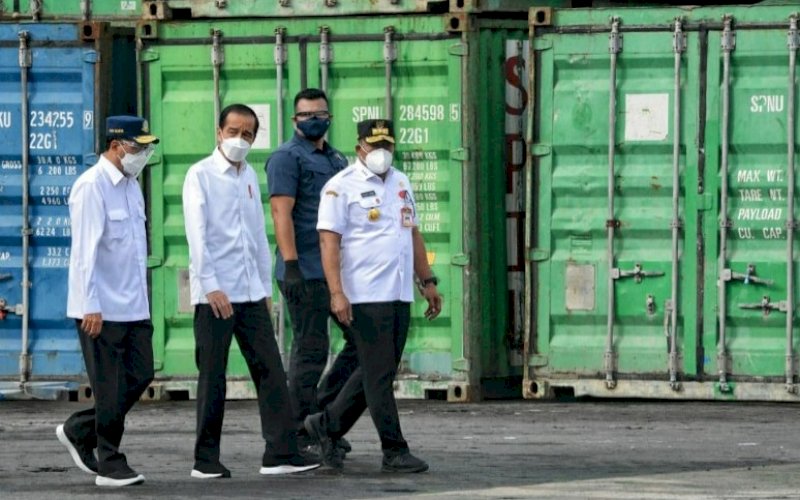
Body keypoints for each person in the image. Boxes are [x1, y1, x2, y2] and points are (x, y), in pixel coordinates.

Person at [182, 103, 319, 479]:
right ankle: (205, 460)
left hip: (249, 294)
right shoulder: (201, 175)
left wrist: (263, 289)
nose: (239, 140)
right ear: (218, 131)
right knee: (213, 377)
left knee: (271, 371)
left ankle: (280, 453)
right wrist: (210, 285)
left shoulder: (249, 175)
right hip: (216, 296)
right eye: (233, 131)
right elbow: (197, 236)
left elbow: (258, 237)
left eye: (247, 134)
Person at [305, 119, 443, 473]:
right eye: (374, 147)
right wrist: (336, 293)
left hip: (397, 291)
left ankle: (326, 425)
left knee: (376, 371)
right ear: (359, 148)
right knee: (378, 376)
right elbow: (328, 243)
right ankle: (394, 449)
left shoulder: (400, 181)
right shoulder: (341, 188)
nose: (381, 153)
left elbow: (412, 234)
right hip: (364, 294)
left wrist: (426, 280)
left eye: (387, 146)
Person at [57, 116, 159, 487]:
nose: (144, 154)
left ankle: (80, 428)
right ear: (117, 145)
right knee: (110, 388)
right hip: (99, 308)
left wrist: (144, 305)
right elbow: (84, 252)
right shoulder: (91, 186)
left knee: (141, 373)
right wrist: (90, 305)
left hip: (133, 306)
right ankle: (111, 462)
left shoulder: (132, 186)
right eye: (139, 146)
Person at [266, 88, 358, 455]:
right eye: (306, 115)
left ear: (329, 117)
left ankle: (319, 416)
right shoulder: (287, 158)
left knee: (361, 344)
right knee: (310, 351)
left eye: (319, 113)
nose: (313, 119)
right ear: (294, 120)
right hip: (302, 269)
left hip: (334, 272)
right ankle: (297, 431)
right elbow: (280, 213)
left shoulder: (335, 159)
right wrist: (290, 266)